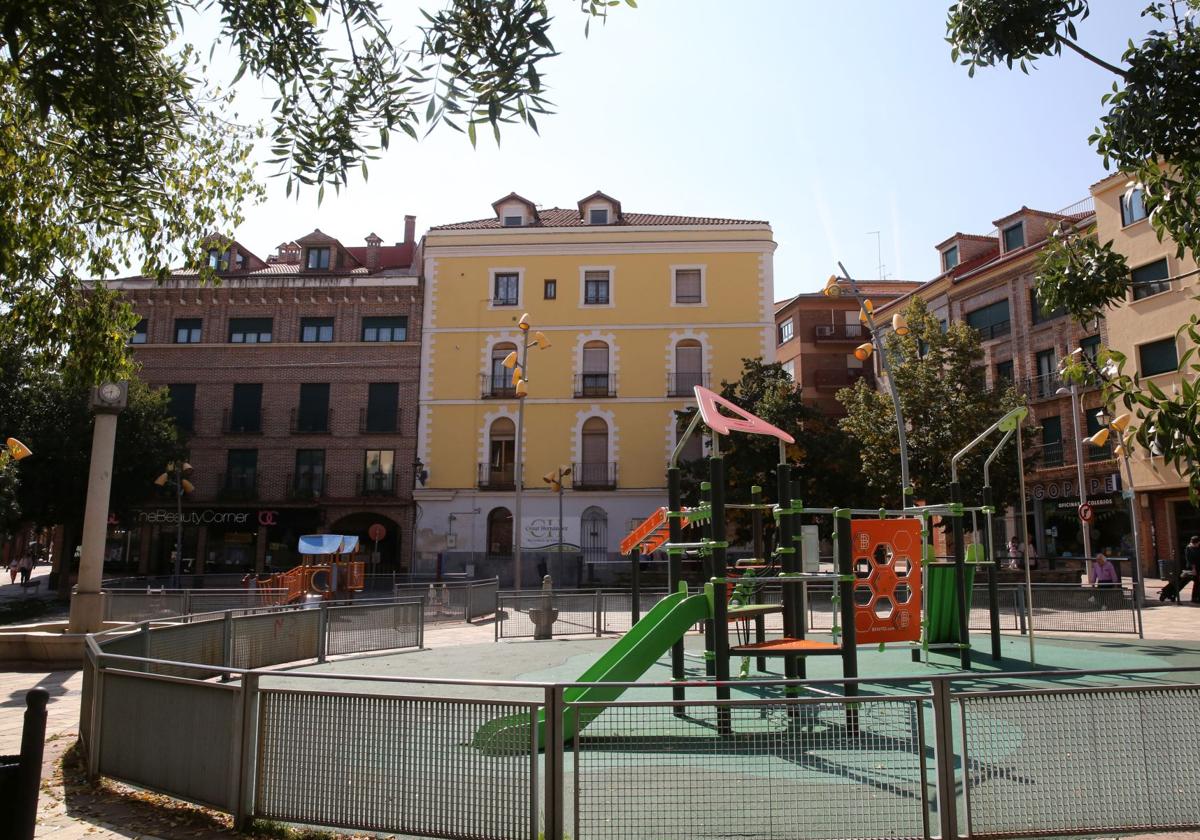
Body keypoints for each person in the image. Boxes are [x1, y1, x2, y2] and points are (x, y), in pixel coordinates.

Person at [1186, 536, 1200, 603]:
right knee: (1197, 582)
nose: (1198, 544)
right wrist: (1194, 569)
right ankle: (1194, 598)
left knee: (1197, 583)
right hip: (1193, 568)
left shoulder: (1197, 547)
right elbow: (1190, 559)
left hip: (1198, 567)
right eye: (1197, 543)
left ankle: (1196, 598)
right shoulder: (1189, 548)